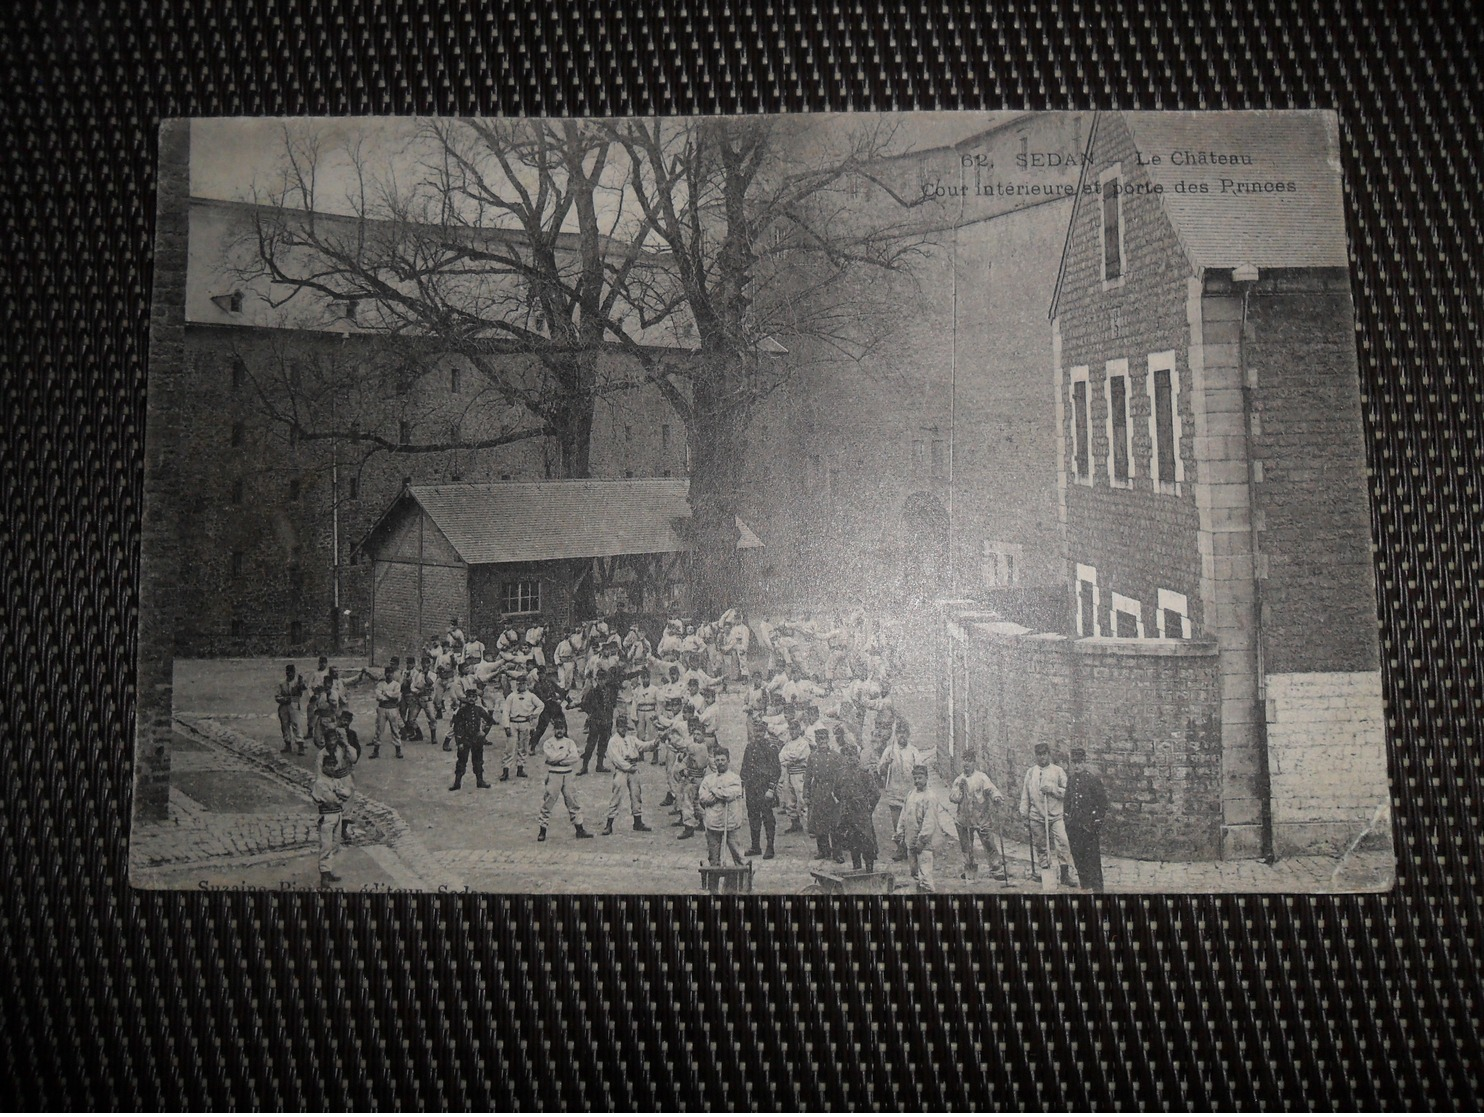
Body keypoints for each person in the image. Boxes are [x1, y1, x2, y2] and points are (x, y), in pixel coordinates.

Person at [310, 716, 359, 887]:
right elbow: (319, 776)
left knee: (335, 842)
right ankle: (325, 873)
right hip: (328, 795)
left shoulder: (342, 748)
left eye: (333, 739)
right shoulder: (321, 755)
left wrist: (345, 744)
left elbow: (353, 758)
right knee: (326, 843)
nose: (331, 742)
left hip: (343, 779)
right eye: (328, 739)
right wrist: (327, 788)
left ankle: (328, 870)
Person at [1019, 741, 1071, 885]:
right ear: (1036, 756)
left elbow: (1068, 793)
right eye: (1039, 755)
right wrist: (1024, 815)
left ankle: (1065, 874)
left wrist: (1053, 789)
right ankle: (1045, 871)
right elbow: (1025, 795)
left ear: (1049, 754)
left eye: (1044, 754)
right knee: (1041, 845)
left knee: (1063, 842)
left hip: (1055, 815)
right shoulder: (1031, 772)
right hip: (1037, 816)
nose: (1042, 758)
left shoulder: (1058, 771)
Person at [949, 752, 1005, 881]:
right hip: (964, 819)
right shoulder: (959, 780)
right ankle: (968, 867)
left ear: (974, 762)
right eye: (964, 761)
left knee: (988, 842)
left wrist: (996, 797)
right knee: (966, 845)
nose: (966, 764)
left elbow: (991, 789)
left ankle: (996, 868)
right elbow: (953, 798)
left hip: (981, 817)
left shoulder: (981, 777)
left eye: (969, 761)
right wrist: (961, 790)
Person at [537, 719, 594, 842]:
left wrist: (558, 759)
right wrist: (564, 755)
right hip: (554, 775)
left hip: (568, 775)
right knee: (548, 801)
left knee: (572, 801)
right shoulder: (548, 743)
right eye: (557, 728)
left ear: (565, 729)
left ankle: (579, 829)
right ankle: (542, 830)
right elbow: (549, 757)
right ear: (554, 730)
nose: (559, 731)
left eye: (562, 728)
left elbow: (574, 758)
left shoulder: (569, 742)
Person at [1064, 748, 1109, 891]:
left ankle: (1098, 891)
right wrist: (1067, 820)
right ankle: (1085, 887)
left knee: (1093, 860)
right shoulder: (1070, 780)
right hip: (1074, 828)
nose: (1077, 766)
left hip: (1088, 828)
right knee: (1079, 859)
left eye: (1079, 762)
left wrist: (1095, 823)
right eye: (1074, 763)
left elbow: (1102, 804)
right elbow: (1067, 802)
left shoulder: (1092, 780)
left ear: (1084, 762)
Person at [877, 730, 926, 861]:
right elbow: (880, 772)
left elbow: (921, 771)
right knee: (897, 823)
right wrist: (887, 763)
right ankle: (901, 849)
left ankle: (913, 848)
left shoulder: (913, 751)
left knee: (912, 823)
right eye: (899, 733)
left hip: (910, 793)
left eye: (904, 733)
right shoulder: (889, 751)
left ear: (908, 735)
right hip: (894, 792)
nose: (902, 736)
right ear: (895, 735)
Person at [833, 740, 881, 872]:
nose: (850, 758)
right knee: (853, 844)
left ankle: (869, 871)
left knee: (867, 843)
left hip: (862, 815)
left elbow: (876, 794)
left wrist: (868, 807)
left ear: (857, 756)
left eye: (852, 755)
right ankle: (856, 871)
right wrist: (845, 804)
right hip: (847, 815)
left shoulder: (864, 773)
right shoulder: (841, 773)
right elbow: (836, 791)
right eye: (847, 755)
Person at [602, 714, 653, 835]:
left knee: (636, 794)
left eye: (624, 726)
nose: (623, 729)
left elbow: (643, 746)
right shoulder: (613, 741)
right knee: (617, 795)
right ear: (617, 727)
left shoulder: (631, 738)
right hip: (622, 770)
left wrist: (655, 742)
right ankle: (609, 824)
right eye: (621, 726)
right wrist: (628, 767)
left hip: (633, 768)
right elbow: (616, 759)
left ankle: (637, 822)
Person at [896, 764, 942, 893]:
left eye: (920, 778)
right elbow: (903, 814)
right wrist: (900, 832)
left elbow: (930, 821)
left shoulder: (930, 796)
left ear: (926, 778)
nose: (917, 781)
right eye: (915, 778)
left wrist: (922, 840)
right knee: (914, 872)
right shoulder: (911, 794)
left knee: (925, 875)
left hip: (924, 843)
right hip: (911, 840)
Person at [739, 716, 781, 859]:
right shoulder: (749, 747)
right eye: (755, 731)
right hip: (751, 788)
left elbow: (776, 770)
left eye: (760, 731)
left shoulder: (770, 748)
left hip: (764, 788)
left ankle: (770, 847)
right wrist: (742, 785)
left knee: (768, 818)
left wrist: (771, 789)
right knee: (753, 816)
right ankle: (755, 846)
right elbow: (744, 767)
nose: (757, 734)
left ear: (765, 731)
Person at [697, 748, 747, 866]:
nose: (720, 762)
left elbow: (731, 794)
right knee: (713, 859)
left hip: (730, 822)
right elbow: (703, 797)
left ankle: (742, 879)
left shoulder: (735, 778)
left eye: (723, 759)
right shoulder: (708, 779)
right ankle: (713, 882)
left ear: (728, 760)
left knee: (739, 857)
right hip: (713, 823)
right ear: (714, 761)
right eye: (717, 760)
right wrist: (720, 794)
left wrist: (714, 790)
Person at [805, 728, 844, 863]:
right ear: (816, 741)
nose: (822, 742)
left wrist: (839, 793)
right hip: (818, 791)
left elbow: (841, 776)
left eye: (824, 739)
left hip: (832, 791)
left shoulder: (836, 756)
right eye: (819, 739)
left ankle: (837, 852)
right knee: (819, 822)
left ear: (828, 740)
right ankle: (823, 850)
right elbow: (808, 776)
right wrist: (806, 794)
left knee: (834, 824)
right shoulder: (812, 756)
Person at [500, 672, 544, 781]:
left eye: (523, 684)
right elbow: (505, 711)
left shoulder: (531, 696)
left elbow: (541, 705)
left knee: (523, 747)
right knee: (510, 747)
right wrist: (506, 726)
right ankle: (506, 771)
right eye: (519, 684)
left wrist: (533, 715)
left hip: (525, 722)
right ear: (516, 684)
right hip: (513, 722)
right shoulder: (511, 696)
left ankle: (520, 768)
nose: (521, 686)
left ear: (527, 684)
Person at [449, 689, 495, 791]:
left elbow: (490, 720)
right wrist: (459, 742)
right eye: (469, 697)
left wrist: (484, 732)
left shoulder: (479, 710)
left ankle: (480, 781)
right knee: (461, 761)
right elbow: (457, 727)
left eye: (473, 697)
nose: (471, 699)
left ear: (476, 698)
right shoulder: (461, 711)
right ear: (466, 697)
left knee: (478, 761)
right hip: (465, 739)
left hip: (477, 739)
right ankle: (457, 783)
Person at [578, 669, 617, 775]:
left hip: (607, 722)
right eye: (600, 679)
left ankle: (600, 765)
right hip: (595, 722)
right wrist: (592, 713)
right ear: (597, 680)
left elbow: (613, 705)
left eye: (603, 679)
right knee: (590, 745)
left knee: (603, 744)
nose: (602, 681)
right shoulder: (592, 692)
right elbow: (584, 704)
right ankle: (584, 767)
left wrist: (609, 718)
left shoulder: (609, 691)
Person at [675, 727, 712, 840]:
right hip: (697, 778)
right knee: (697, 803)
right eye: (694, 734)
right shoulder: (701, 747)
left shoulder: (699, 747)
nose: (695, 736)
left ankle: (689, 827)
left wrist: (670, 737)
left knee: (687, 802)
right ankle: (704, 823)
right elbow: (686, 759)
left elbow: (683, 747)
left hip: (694, 779)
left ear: (703, 736)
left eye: (698, 734)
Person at [776, 721, 811, 834]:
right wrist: (790, 758)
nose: (793, 732)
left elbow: (797, 755)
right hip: (789, 773)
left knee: (802, 800)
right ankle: (795, 824)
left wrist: (789, 757)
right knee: (789, 800)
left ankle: (809, 826)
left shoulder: (803, 743)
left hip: (800, 773)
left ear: (799, 730)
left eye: (795, 729)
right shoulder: (788, 743)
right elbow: (780, 756)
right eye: (791, 729)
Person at [529, 668, 570, 748]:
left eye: (543, 673)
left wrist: (567, 699)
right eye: (540, 674)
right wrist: (554, 699)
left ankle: (566, 742)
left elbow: (560, 690)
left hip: (555, 707)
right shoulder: (537, 685)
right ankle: (533, 746)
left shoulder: (550, 682)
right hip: (545, 709)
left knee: (563, 724)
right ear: (538, 675)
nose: (542, 675)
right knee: (541, 729)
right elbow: (542, 698)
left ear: (545, 673)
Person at [370, 664, 404, 759]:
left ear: (393, 674)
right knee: (379, 730)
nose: (389, 675)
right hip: (382, 708)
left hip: (393, 708)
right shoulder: (380, 684)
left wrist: (386, 694)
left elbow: (397, 695)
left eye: (391, 673)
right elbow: (378, 696)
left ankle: (398, 750)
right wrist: (389, 696)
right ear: (385, 674)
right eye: (387, 673)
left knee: (395, 729)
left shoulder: (396, 684)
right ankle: (376, 751)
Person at [275, 663, 308, 755]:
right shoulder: (282, 683)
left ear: (294, 673)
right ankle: (287, 744)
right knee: (285, 725)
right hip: (283, 705)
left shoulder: (297, 682)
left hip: (294, 704)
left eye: (291, 672)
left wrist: (301, 681)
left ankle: (300, 746)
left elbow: (303, 688)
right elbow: (277, 696)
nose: (289, 674)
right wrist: (283, 699)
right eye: (288, 672)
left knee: (296, 724)